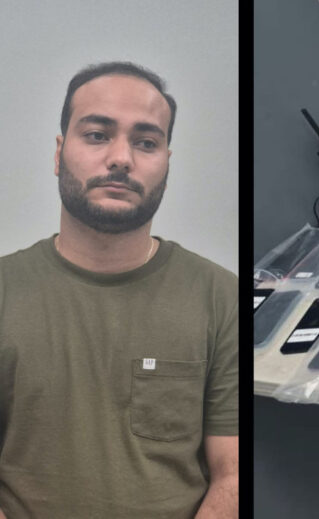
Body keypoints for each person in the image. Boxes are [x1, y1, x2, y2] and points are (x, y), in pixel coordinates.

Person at [0, 62, 238, 518]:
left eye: (146, 142)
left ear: (166, 163)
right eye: (97, 135)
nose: (121, 158)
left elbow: (233, 474)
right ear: (58, 153)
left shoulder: (221, 298)